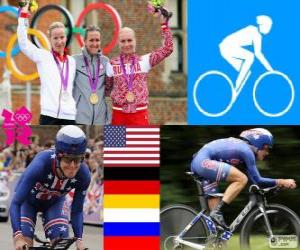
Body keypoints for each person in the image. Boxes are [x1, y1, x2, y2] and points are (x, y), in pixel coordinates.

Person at [190, 128, 296, 229]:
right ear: (259, 144)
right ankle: (216, 211)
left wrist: (277, 184)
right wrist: (282, 181)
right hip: (203, 162)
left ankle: (218, 241)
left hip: (200, 163)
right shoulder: (247, 151)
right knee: (242, 179)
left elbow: (256, 181)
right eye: (266, 148)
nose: (267, 153)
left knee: (218, 226)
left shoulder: (244, 150)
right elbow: (259, 180)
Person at [10, 126, 91, 250]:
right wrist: (18, 236)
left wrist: (79, 239)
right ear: (58, 157)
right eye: (68, 160)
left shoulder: (84, 174)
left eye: (77, 159)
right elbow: (15, 203)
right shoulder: (40, 164)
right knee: (24, 244)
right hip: (28, 201)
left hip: (54, 203)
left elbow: (77, 210)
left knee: (61, 243)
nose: (73, 166)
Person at [105, 6, 174, 125]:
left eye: (129, 40)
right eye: (123, 41)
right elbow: (106, 90)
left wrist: (164, 25)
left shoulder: (144, 61)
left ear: (135, 41)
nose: (127, 44)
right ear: (118, 43)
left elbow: (168, 49)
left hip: (139, 114)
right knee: (113, 145)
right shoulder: (111, 64)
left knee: (141, 144)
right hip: (118, 114)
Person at [17, 2, 76, 125]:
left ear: (66, 38)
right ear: (50, 39)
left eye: (61, 37)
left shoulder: (72, 62)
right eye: (55, 38)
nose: (59, 41)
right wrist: (23, 17)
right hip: (49, 115)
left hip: (70, 116)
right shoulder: (43, 57)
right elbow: (23, 44)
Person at [219, 15, 273, 90]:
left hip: (225, 48)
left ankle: (234, 90)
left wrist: (270, 70)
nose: (269, 28)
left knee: (247, 73)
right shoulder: (255, 33)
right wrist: (270, 70)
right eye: (268, 26)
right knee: (250, 56)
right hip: (226, 47)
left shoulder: (255, 32)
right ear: (262, 25)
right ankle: (236, 87)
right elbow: (258, 54)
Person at [73, 25, 110, 125]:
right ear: (85, 41)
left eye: (97, 40)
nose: (94, 43)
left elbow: (110, 90)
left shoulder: (106, 62)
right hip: (79, 119)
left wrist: (108, 118)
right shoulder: (74, 61)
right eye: (91, 40)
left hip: (101, 119)